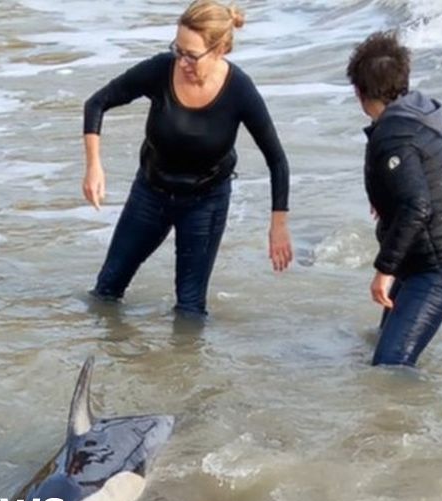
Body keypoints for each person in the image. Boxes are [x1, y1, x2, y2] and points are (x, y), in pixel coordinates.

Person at [82, 0, 292, 317]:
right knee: (106, 291)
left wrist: (278, 225)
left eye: (191, 55)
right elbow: (97, 103)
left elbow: (277, 159)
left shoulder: (240, 91)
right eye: (178, 50)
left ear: (220, 49)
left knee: (190, 308)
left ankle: (184, 366)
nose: (182, 62)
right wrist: (94, 166)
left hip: (205, 202)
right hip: (150, 194)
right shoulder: (160, 70)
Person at [346, 31, 442, 367]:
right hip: (425, 258)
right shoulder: (413, 115)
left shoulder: (395, 135)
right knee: (379, 353)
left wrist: (384, 271)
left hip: (439, 267)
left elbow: (417, 205)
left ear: (359, 92)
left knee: (391, 367)